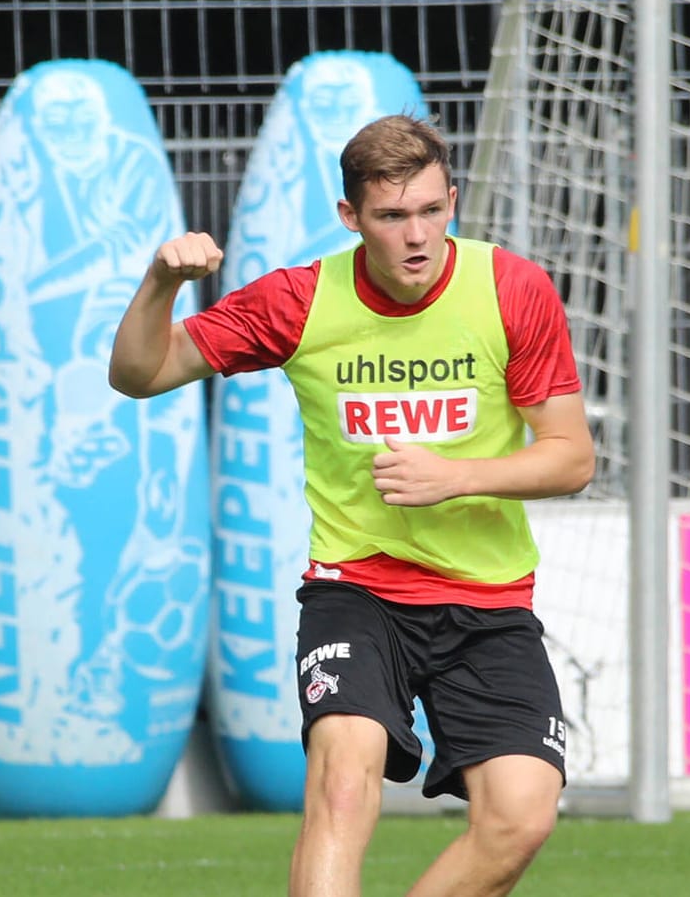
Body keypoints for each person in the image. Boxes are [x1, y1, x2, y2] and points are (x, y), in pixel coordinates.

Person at [108, 114, 595, 897]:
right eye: (392, 216)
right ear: (351, 219)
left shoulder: (512, 288)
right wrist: (161, 283)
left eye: (433, 212)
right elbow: (140, 374)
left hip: (490, 599)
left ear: (453, 204)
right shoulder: (302, 299)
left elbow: (572, 456)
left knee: (521, 817)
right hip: (356, 591)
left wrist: (455, 477)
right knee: (343, 776)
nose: (417, 236)